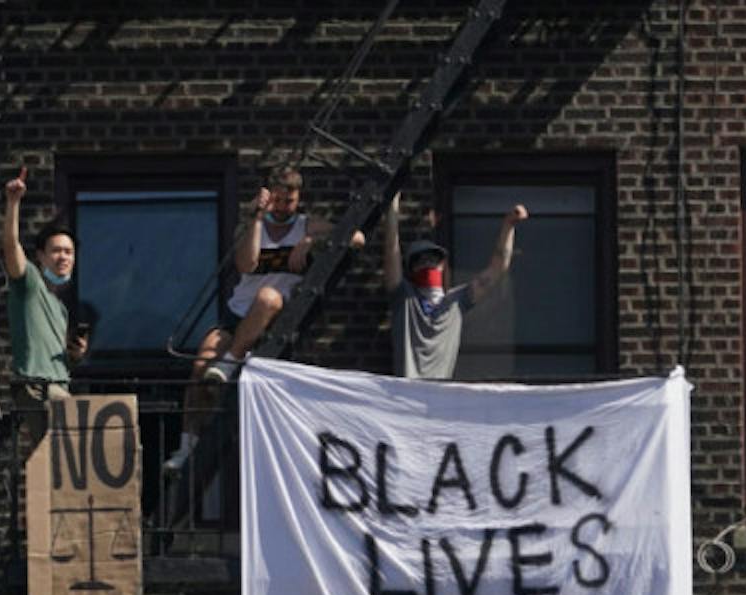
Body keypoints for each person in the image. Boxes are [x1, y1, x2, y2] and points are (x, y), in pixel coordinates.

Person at [170, 167, 363, 471]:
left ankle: (229, 362)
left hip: (270, 318)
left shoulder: (304, 225)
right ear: (269, 196)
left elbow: (358, 238)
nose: (285, 207)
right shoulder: (250, 225)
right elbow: (246, 264)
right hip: (237, 315)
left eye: (291, 201)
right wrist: (257, 218)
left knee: (269, 296)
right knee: (200, 366)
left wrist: (310, 239)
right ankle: (186, 447)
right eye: (280, 200)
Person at [381, 191, 528, 380]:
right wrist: (392, 206)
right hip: (407, 397)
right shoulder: (405, 299)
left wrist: (509, 225)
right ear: (411, 269)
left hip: (440, 399)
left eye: (434, 259)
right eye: (421, 260)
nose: (428, 263)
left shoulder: (455, 302)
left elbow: (497, 269)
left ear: (443, 266)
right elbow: (391, 250)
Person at [0, 167, 91, 441]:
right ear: (40, 256)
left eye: (69, 252)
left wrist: (75, 355)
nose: (63, 257)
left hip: (59, 387)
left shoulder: (60, 308)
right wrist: (13, 203)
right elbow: (10, 247)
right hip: (37, 388)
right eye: (56, 251)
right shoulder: (29, 284)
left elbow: (56, 358)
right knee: (61, 455)